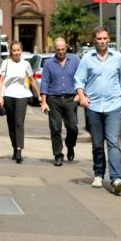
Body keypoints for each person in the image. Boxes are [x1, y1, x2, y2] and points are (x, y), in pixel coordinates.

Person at [75, 26, 121, 193]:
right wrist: (82, 96)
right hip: (93, 106)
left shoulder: (117, 58)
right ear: (94, 40)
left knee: (114, 142)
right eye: (99, 39)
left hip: (113, 105)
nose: (102, 42)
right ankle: (99, 174)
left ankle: (117, 179)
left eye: (105, 38)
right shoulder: (87, 58)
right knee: (98, 144)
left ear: (109, 39)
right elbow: (79, 80)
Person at [39, 37, 80, 166]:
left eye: (63, 49)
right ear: (54, 50)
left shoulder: (75, 60)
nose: (61, 52)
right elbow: (45, 82)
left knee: (72, 127)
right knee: (55, 128)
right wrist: (44, 102)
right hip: (54, 99)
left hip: (71, 98)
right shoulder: (49, 63)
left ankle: (70, 145)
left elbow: (81, 78)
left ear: (66, 47)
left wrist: (80, 95)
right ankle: (58, 154)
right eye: (58, 50)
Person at [0, 41, 31, 163]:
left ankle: (19, 149)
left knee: (19, 122)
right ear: (11, 51)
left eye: (18, 50)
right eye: (14, 50)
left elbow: (31, 79)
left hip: (22, 95)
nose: (16, 52)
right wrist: (0, 97)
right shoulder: (6, 63)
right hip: (8, 96)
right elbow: (1, 81)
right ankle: (14, 147)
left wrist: (40, 95)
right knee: (11, 123)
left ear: (21, 50)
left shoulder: (26, 64)